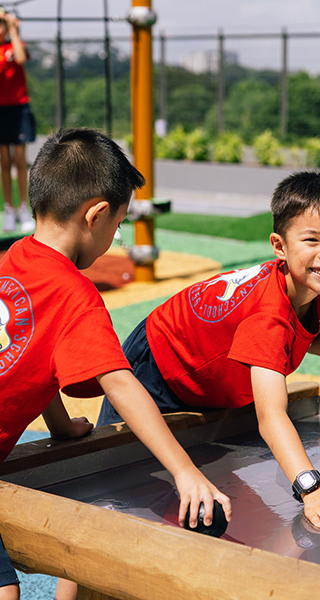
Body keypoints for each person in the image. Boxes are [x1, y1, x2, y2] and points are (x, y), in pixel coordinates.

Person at [96, 171, 320, 532]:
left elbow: (307, 335)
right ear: (279, 246)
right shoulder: (268, 316)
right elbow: (271, 416)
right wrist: (313, 490)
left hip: (201, 371)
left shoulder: (316, 283)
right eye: (311, 239)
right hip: (156, 367)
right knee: (107, 492)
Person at [0, 128, 231, 600]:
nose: (115, 238)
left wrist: (61, 428)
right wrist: (185, 472)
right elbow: (121, 383)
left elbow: (27, 357)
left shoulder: (12, 259)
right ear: (96, 215)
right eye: (118, 225)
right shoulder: (74, 295)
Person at [0, 9, 34, 234]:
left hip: (19, 108)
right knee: (4, 161)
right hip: (0, 110)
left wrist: (14, 29)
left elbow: (21, 58)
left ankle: (24, 207)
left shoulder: (15, 45)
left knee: (20, 160)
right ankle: (9, 209)